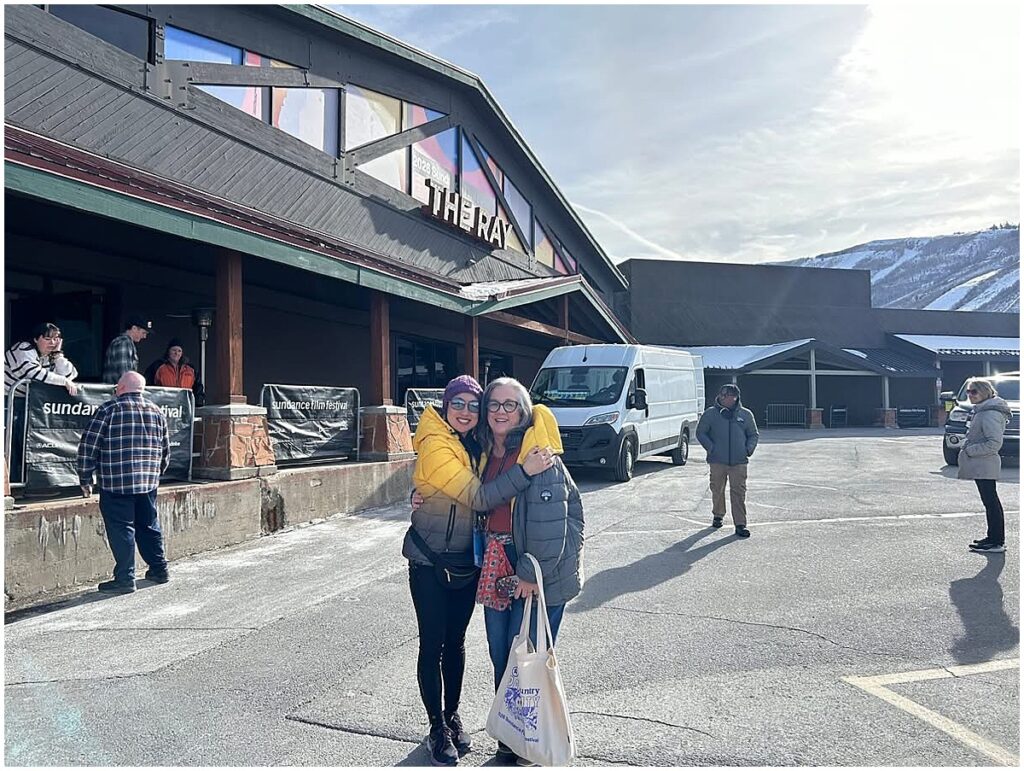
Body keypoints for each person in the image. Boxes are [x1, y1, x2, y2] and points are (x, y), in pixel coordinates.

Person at [406, 374, 554, 767]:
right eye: (459, 404)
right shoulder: (438, 443)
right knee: (433, 644)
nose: (466, 411)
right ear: (444, 405)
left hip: (469, 563)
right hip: (430, 561)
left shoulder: (478, 445)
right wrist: (525, 471)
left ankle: (453, 717)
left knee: (456, 644)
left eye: (475, 404)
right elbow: (477, 495)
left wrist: (418, 489)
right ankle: (437, 728)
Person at [474, 377, 584, 765]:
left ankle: (532, 740)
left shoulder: (537, 452)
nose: (501, 412)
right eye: (494, 404)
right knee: (501, 654)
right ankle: (511, 733)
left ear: (523, 411)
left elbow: (553, 523)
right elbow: (478, 497)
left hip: (535, 572)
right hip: (496, 565)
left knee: (529, 657)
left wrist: (526, 574)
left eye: (510, 405)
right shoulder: (487, 451)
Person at [77, 371, 171, 594]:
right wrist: (155, 474)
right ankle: (159, 569)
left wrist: (85, 477)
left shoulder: (108, 409)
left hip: (115, 482)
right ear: (141, 389)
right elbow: (165, 451)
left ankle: (125, 578)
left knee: (121, 529)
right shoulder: (156, 411)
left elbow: (89, 446)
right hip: (147, 483)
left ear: (120, 388)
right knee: (149, 525)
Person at [4, 323, 79, 483]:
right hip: (7, 400)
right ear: (35, 339)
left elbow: (71, 374)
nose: (52, 342)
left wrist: (58, 355)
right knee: (9, 443)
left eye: (56, 338)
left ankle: (21, 482)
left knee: (23, 443)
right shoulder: (23, 348)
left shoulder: (48, 356)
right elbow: (33, 373)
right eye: (47, 338)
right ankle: (10, 483)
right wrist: (63, 381)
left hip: (26, 402)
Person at [695, 383, 759, 538]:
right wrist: (711, 448)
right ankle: (718, 514)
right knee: (717, 489)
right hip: (717, 460)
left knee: (738, 492)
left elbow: (753, 434)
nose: (725, 398)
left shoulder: (745, 415)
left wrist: (748, 449)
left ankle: (740, 524)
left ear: (735, 397)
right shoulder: (710, 414)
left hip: (739, 461)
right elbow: (701, 432)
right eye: (723, 395)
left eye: (729, 396)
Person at [959, 378, 1011, 554]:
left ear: (985, 392)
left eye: (974, 391)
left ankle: (997, 541)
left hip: (985, 462)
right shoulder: (983, 410)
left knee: (991, 501)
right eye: (968, 392)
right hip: (982, 463)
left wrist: (970, 450)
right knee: (989, 501)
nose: (970, 395)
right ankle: (992, 537)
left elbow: (994, 443)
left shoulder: (990, 413)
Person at [147, 338, 205, 406]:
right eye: (174, 350)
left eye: (179, 351)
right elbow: (148, 387)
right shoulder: (157, 367)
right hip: (165, 406)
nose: (176, 353)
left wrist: (198, 403)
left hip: (186, 407)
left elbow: (198, 388)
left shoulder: (191, 369)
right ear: (168, 351)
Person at [102, 316, 152, 384]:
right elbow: (124, 374)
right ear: (134, 328)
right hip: (120, 391)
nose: (144, 336)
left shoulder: (122, 342)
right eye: (143, 333)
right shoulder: (124, 342)